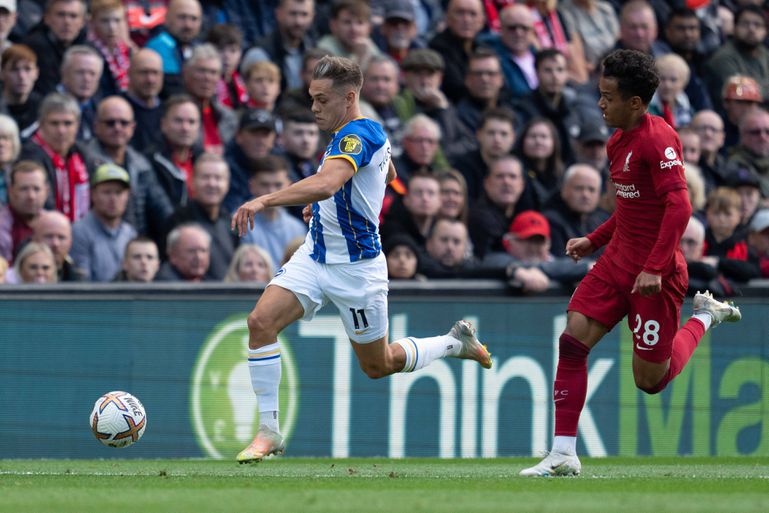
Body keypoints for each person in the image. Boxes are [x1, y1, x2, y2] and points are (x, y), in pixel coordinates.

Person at [230, 55, 492, 463]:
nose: (314, 108)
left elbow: (328, 182)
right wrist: (332, 207)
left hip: (357, 269)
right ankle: (269, 432)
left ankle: (452, 343)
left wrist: (266, 199)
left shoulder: (357, 135)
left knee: (378, 364)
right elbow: (387, 175)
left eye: (322, 100)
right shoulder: (361, 134)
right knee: (260, 322)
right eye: (312, 98)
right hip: (315, 256)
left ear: (349, 97)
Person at [520, 49, 742, 478]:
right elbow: (630, 207)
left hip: (655, 274)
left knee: (650, 381)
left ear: (636, 103)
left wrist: (655, 268)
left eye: (608, 96)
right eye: (600, 94)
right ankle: (563, 453)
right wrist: (594, 239)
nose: (600, 103)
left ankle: (704, 317)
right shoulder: (617, 140)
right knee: (573, 340)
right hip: (617, 263)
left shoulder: (658, 140)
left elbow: (680, 206)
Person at [163, 153, 237, 280]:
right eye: (205, 177)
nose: (212, 183)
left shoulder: (230, 222)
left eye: (218, 178)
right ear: (192, 181)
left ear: (227, 184)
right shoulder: (178, 221)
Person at [19, 93, 89, 223]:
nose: (61, 130)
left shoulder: (82, 154)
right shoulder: (29, 155)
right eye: (54, 123)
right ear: (41, 124)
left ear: (77, 126)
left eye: (67, 123)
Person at [240, 155, 308, 273]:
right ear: (252, 186)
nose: (271, 191)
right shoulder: (238, 221)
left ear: (289, 186)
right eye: (264, 184)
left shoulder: (298, 228)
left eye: (278, 185)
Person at [70, 163, 136, 281]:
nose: (113, 199)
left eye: (118, 192)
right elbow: (81, 283)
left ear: (127, 196)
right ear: (93, 194)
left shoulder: (130, 233)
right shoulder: (79, 232)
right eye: (106, 192)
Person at [23, 0, 88, 96]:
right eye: (61, 15)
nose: (67, 22)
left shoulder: (89, 50)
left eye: (73, 16)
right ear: (47, 18)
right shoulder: (30, 48)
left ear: (83, 22)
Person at [144, 0, 203, 96]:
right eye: (182, 17)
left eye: (194, 19)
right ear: (167, 18)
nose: (188, 25)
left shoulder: (199, 47)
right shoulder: (157, 47)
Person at [0, 160, 49, 262]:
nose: (31, 196)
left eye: (36, 189)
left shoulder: (54, 225)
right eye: (24, 189)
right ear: (10, 191)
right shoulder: (2, 225)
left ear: (46, 191)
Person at [58, 45, 104, 141]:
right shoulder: (45, 106)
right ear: (64, 73)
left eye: (92, 73)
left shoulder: (102, 109)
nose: (87, 79)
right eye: (80, 72)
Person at [123, 48, 164, 150]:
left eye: (155, 73)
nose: (150, 79)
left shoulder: (168, 111)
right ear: (129, 73)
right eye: (143, 72)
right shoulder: (117, 110)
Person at [0, 44, 42, 138]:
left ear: (36, 73)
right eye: (14, 70)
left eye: (27, 69)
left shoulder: (43, 109)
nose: (21, 76)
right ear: (2, 73)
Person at [31, 209, 85, 281]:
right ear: (35, 239)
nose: (55, 244)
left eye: (61, 237)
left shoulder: (77, 277)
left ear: (70, 242)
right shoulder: (19, 275)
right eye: (49, 236)